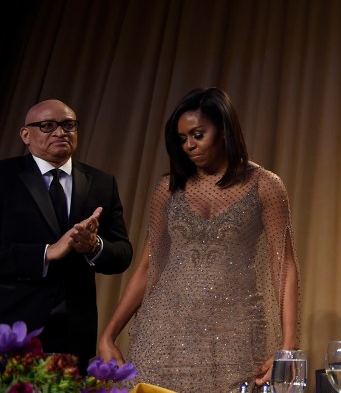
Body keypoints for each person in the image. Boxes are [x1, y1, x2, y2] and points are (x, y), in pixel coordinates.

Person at [97, 87, 300, 392]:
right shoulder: (168, 189)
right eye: (182, 139)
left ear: (224, 130)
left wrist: (288, 347)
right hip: (163, 334)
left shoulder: (265, 186)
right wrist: (108, 335)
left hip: (234, 335)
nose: (189, 146)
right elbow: (149, 266)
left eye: (197, 135)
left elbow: (284, 267)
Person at [0, 99, 133, 373]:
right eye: (48, 125)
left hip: (73, 332)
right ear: (25, 135)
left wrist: (94, 246)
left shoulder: (102, 183)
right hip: (10, 326)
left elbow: (123, 253)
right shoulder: (4, 176)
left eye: (68, 125)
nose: (60, 132)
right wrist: (46, 253)